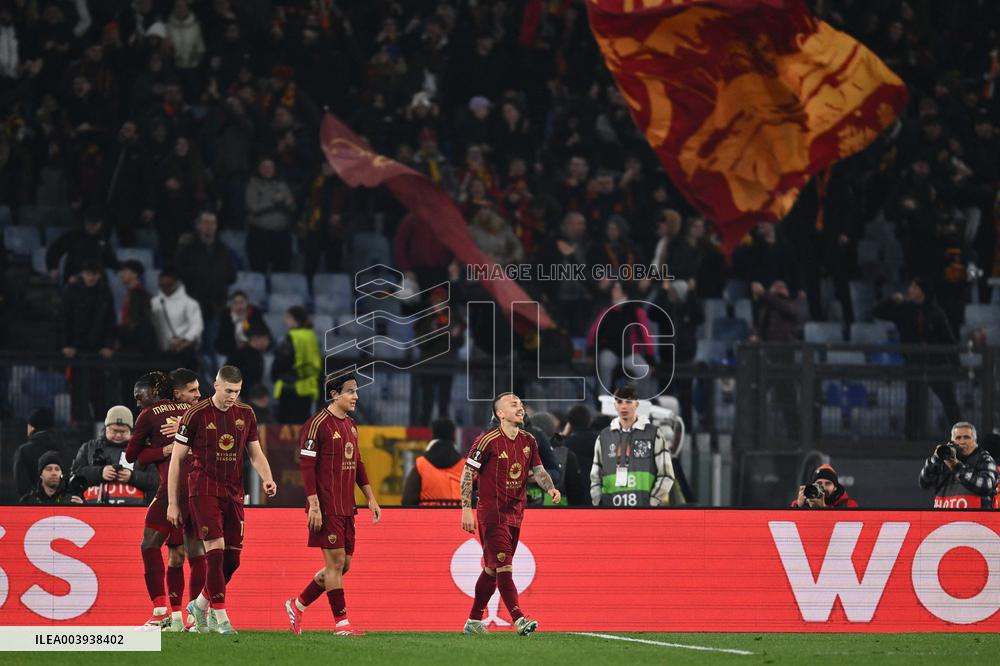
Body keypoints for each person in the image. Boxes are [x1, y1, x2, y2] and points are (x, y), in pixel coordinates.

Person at [167, 365, 277, 635]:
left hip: (234, 492)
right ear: (216, 385)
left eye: (237, 392)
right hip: (203, 488)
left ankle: (200, 603)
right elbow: (177, 460)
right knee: (214, 551)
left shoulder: (246, 413)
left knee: (232, 560)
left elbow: (255, 453)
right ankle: (221, 617)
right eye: (228, 390)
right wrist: (172, 502)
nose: (232, 397)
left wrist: (267, 477)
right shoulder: (195, 414)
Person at [284, 373, 381, 636]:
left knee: (342, 565)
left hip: (346, 506)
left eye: (356, 391)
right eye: (350, 391)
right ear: (334, 394)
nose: (356, 397)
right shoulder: (317, 424)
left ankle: (298, 604)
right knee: (336, 563)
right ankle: (342, 624)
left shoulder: (351, 425)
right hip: (325, 506)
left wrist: (370, 497)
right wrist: (313, 504)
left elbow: (358, 464)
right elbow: (306, 465)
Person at [460, 392, 559, 636]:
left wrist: (551, 488)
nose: (520, 407)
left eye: (521, 404)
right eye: (513, 404)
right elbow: (466, 474)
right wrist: (466, 509)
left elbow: (539, 471)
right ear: (500, 414)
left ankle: (473, 620)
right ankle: (519, 618)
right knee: (504, 565)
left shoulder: (529, 440)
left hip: (516, 512)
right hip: (491, 514)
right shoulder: (487, 441)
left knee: (492, 568)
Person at [124, 370, 202, 631]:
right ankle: (187, 617)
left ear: (155, 392)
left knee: (149, 545)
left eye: (139, 397)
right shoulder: (195, 410)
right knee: (186, 553)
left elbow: (132, 455)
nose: (138, 402)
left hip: (175, 486)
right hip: (202, 486)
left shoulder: (149, 414)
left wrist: (161, 450)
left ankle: (160, 612)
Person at [873, 278, 961, 439]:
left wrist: (956, 364)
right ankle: (912, 438)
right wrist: (891, 300)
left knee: (949, 401)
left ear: (922, 291)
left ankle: (963, 438)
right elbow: (877, 312)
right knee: (913, 401)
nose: (910, 290)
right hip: (914, 363)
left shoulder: (935, 312)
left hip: (936, 364)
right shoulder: (903, 310)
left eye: (914, 287)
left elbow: (948, 339)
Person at [590, 386, 683, 507]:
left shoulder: (654, 434)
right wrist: (598, 503)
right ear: (615, 406)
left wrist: (652, 502)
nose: (624, 406)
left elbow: (666, 475)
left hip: (643, 515)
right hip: (611, 514)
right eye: (619, 402)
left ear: (637, 405)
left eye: (628, 401)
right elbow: (595, 476)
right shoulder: (603, 437)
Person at [174, 211, 236, 373]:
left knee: (210, 344)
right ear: (199, 226)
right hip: (194, 303)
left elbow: (231, 275)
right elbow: (178, 270)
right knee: (192, 344)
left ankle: (212, 381)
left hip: (215, 304)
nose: (210, 226)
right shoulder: (188, 248)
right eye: (206, 222)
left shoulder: (223, 249)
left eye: (213, 223)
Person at [61, 261, 117, 422]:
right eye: (88, 273)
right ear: (83, 273)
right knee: (76, 390)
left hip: (98, 350)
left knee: (99, 391)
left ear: (99, 275)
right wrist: (66, 344)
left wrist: (108, 345)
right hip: (76, 350)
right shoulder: (71, 290)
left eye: (94, 274)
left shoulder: (105, 291)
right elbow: (64, 319)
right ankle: (77, 425)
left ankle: (100, 427)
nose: (91, 277)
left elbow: (110, 321)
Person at [70, 406, 159, 505]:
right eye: (114, 431)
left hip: (134, 512)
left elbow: (156, 480)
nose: (118, 435)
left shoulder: (143, 450)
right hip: (92, 510)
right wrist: (100, 473)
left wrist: (132, 477)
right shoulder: (89, 448)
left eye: (123, 432)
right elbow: (75, 475)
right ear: (106, 428)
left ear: (131, 431)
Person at [919, 422, 997, 509]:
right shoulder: (945, 459)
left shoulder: (984, 458)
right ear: (952, 441)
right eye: (958, 438)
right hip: (943, 520)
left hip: (975, 520)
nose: (962, 441)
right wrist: (935, 460)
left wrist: (956, 467)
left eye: (966, 437)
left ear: (975, 441)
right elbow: (924, 483)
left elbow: (987, 486)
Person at [272, 306, 321, 424]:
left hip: (291, 386)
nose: (285, 321)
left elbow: (283, 360)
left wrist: (276, 374)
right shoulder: (311, 336)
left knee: (287, 425)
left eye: (288, 318)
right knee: (303, 423)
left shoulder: (292, 336)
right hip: (307, 386)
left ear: (296, 320)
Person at [402, 419, 464, 506]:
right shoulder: (465, 466)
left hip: (427, 518)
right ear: (453, 436)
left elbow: (407, 501)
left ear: (433, 434)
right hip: (458, 518)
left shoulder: (421, 465)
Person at [151, 268, 204, 370]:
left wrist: (183, 342)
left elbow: (197, 327)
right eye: (162, 285)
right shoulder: (154, 302)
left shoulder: (190, 303)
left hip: (183, 353)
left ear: (177, 284)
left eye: (169, 285)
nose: (165, 288)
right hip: (160, 353)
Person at [13, 408, 65, 498]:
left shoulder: (24, 451)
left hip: (35, 507)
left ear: (32, 427)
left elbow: (22, 486)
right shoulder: (66, 448)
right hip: (63, 506)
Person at [19, 451, 83, 505]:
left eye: (57, 469)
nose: (54, 473)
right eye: (49, 469)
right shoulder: (28, 502)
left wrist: (83, 509)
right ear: (41, 475)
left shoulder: (73, 500)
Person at [791, 464, 859, 508]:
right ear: (813, 485)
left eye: (828, 483)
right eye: (819, 483)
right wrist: (798, 506)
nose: (823, 487)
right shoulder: (803, 502)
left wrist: (824, 509)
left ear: (835, 487)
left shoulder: (848, 505)